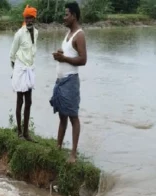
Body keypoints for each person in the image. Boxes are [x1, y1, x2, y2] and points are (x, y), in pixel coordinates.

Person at [50, 1, 87, 163]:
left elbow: (83, 60)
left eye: (66, 14)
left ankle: (73, 154)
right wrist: (60, 54)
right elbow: (69, 55)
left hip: (70, 81)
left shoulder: (79, 34)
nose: (64, 17)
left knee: (73, 116)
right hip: (61, 81)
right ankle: (58, 146)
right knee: (62, 116)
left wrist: (63, 58)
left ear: (74, 15)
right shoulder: (68, 34)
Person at [9, 5, 38, 141]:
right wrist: (15, 71)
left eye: (31, 18)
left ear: (34, 19)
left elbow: (32, 52)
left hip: (30, 69)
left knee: (29, 102)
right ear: (24, 19)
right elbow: (12, 53)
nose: (29, 20)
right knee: (20, 101)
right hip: (20, 68)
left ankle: (26, 132)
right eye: (27, 18)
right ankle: (19, 132)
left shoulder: (36, 33)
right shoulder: (19, 34)